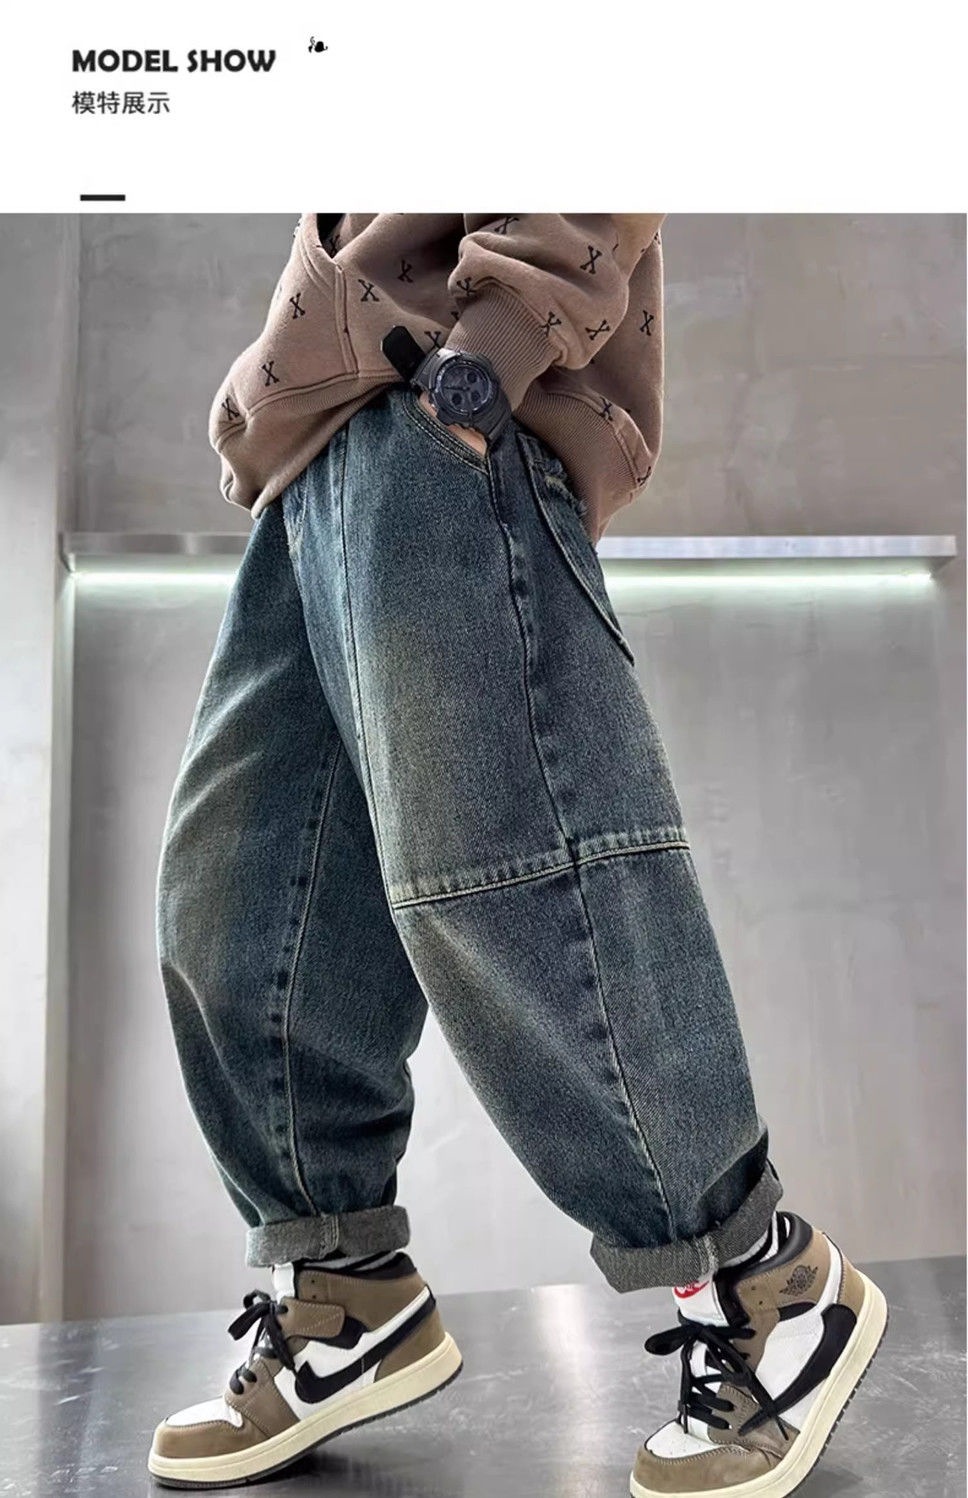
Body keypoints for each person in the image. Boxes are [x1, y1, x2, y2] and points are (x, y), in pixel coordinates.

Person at [147, 214, 888, 1495]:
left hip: (442, 409)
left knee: (515, 877)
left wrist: (480, 365)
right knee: (238, 904)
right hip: (311, 460)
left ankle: (765, 1280)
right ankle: (343, 1291)